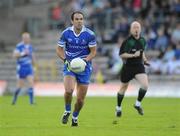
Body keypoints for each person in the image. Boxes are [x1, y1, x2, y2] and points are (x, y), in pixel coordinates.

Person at [56, 11, 97, 126]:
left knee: (80, 100)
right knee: (69, 90)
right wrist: (65, 60)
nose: (79, 21)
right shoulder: (66, 33)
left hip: (85, 67)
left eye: (81, 19)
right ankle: (67, 111)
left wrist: (85, 60)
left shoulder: (90, 34)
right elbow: (59, 49)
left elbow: (93, 52)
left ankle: (75, 117)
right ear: (72, 21)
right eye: (77, 19)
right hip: (70, 66)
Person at [115, 21, 150, 117]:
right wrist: (133, 55)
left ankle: (137, 104)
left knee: (145, 85)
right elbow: (121, 55)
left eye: (138, 27)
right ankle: (118, 108)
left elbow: (142, 52)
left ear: (140, 29)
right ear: (131, 30)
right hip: (128, 67)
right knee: (123, 88)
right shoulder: (127, 42)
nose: (136, 29)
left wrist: (145, 60)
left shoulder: (143, 40)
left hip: (139, 66)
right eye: (134, 27)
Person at [12, 32, 36, 105]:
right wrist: (23, 53)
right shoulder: (19, 46)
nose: (27, 39)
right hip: (21, 67)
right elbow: (14, 55)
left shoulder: (30, 47)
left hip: (29, 67)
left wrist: (34, 65)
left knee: (31, 83)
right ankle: (14, 99)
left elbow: (32, 56)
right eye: (25, 38)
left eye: (28, 38)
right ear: (23, 38)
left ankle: (31, 102)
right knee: (19, 86)